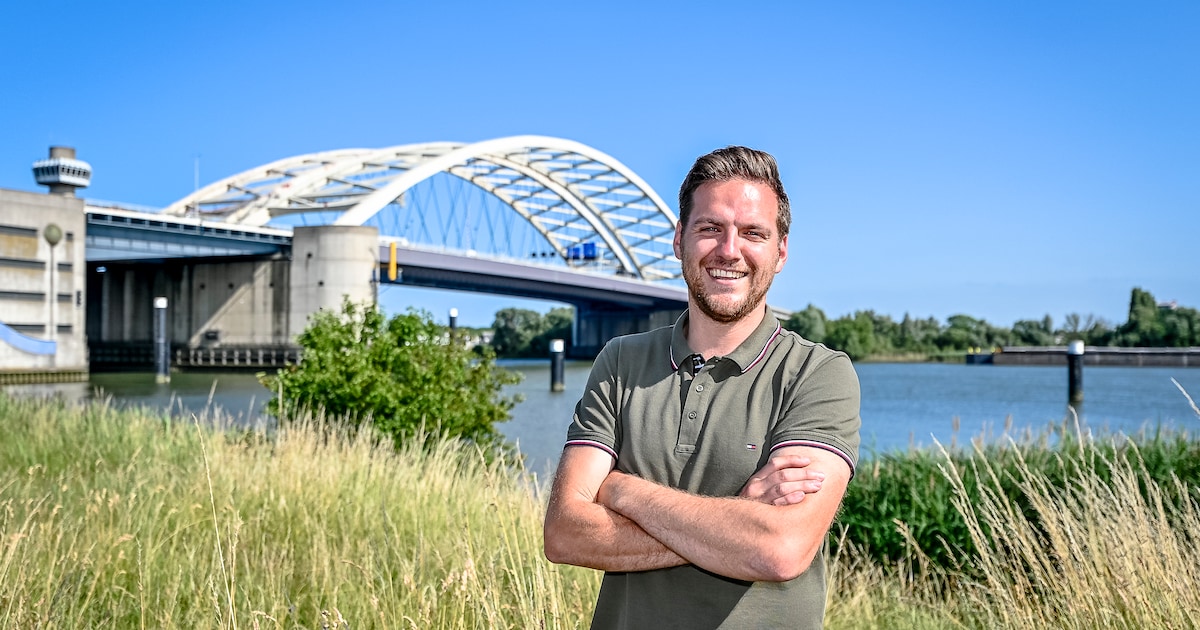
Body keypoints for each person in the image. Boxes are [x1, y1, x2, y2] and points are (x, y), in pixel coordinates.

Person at [543, 146, 861, 629]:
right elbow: (565, 534)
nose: (729, 250)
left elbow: (779, 549)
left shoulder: (817, 372)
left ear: (780, 252)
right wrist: (738, 523)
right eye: (710, 228)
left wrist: (621, 491)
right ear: (678, 240)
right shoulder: (621, 361)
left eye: (753, 232)